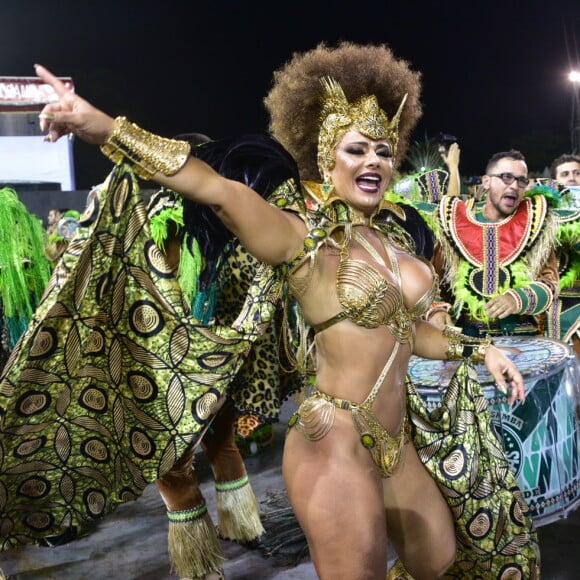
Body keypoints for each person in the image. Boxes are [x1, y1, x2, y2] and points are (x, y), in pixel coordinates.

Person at [0, 44, 537, 579]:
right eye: (356, 150)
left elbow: (408, 333)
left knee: (439, 563)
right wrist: (106, 128)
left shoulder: (397, 243)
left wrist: (479, 349)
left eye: (383, 150)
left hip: (398, 441)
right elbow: (216, 189)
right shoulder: (304, 242)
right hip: (334, 443)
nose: (373, 160)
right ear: (329, 163)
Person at [427, 150, 560, 338]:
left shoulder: (535, 222)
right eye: (506, 177)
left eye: (521, 180)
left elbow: (550, 283)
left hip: (523, 339)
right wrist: (437, 311)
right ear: (486, 181)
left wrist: (518, 299)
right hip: (467, 337)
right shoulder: (453, 222)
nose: (514, 186)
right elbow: (431, 280)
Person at [546, 154, 580, 354]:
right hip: (560, 301)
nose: (572, 178)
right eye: (565, 174)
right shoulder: (545, 213)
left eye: (577, 173)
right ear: (555, 181)